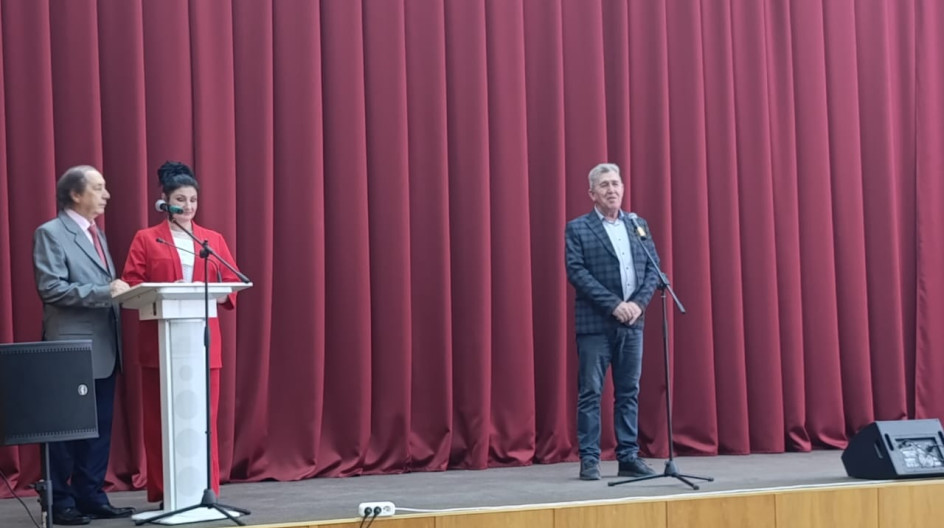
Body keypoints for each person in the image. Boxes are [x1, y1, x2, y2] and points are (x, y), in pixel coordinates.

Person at [121, 161, 242, 505]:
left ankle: (206, 491)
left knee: (204, 419)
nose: (188, 206)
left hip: (202, 342)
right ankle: (166, 493)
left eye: (193, 200)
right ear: (165, 201)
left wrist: (213, 290)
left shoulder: (212, 239)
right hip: (160, 344)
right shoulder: (146, 238)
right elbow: (131, 283)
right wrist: (166, 288)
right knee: (160, 421)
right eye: (180, 200)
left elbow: (231, 282)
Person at [32, 165, 134, 525]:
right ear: (75, 194)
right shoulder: (50, 233)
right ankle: (59, 501)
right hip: (70, 349)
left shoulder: (97, 234)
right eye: (98, 188)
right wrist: (105, 292)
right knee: (65, 431)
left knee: (98, 428)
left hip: (104, 347)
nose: (106, 195)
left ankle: (91, 495)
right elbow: (51, 289)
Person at [564, 163, 661, 481]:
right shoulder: (578, 228)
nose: (612, 189)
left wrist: (638, 304)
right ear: (592, 193)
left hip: (632, 323)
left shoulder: (637, 225)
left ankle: (628, 457)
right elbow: (577, 273)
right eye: (604, 185)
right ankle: (590, 459)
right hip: (595, 324)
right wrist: (614, 305)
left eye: (616, 183)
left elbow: (653, 270)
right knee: (591, 392)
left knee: (629, 391)